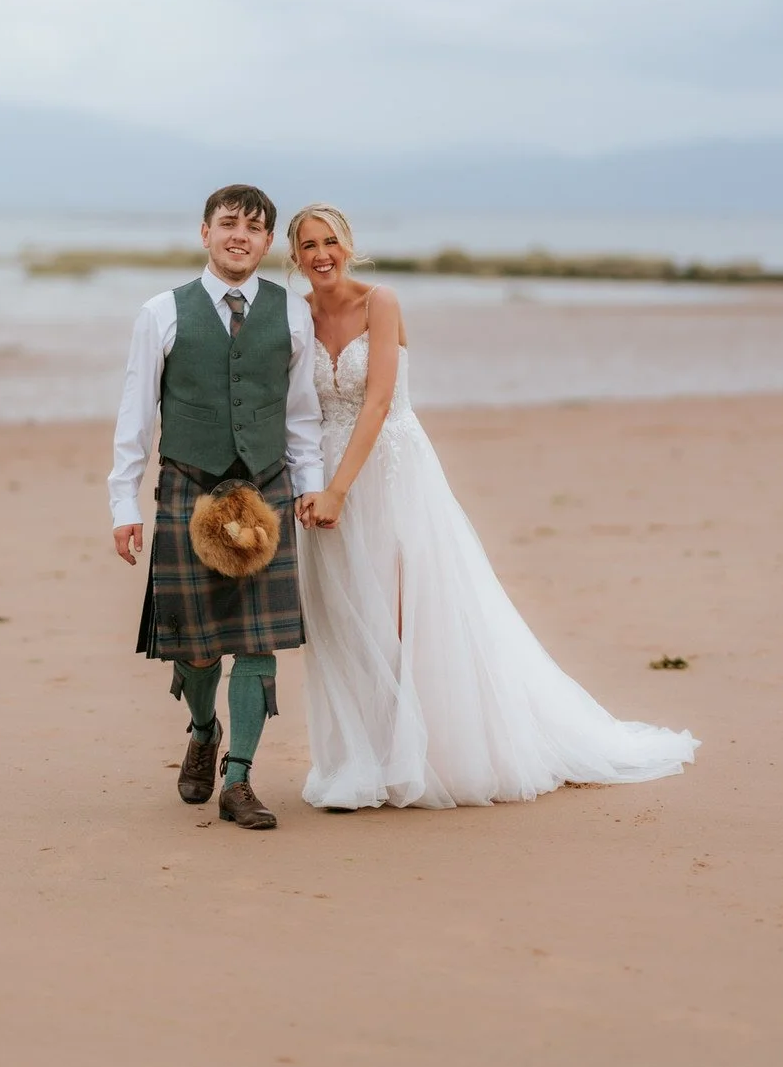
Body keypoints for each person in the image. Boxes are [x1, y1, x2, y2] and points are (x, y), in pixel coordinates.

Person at [291, 205, 699, 810]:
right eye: (307, 245)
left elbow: (376, 404)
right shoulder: (295, 316)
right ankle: (361, 758)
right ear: (294, 256)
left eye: (330, 242)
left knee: (407, 614)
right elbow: (290, 404)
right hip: (321, 474)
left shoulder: (381, 301)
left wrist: (339, 491)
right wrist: (306, 480)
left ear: (349, 247)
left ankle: (423, 756)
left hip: (388, 472)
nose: (321, 254)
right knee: (346, 616)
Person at [109, 185, 325, 828]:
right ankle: (202, 730)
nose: (240, 236)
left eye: (255, 229)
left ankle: (239, 779)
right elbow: (135, 414)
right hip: (187, 487)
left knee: (257, 645)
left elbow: (302, 416)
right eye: (228, 224)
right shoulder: (160, 313)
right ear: (205, 232)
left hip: (266, 491)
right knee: (196, 647)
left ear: (267, 243)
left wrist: (309, 484)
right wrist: (124, 503)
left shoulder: (293, 315)